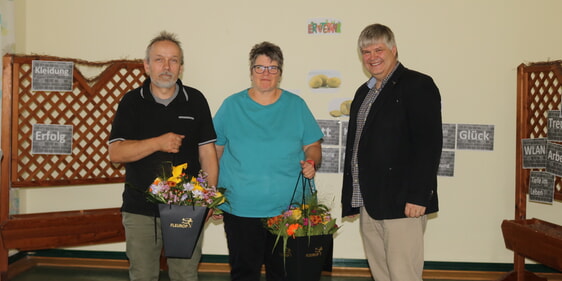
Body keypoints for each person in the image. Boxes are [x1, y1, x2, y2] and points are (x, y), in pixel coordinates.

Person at [108, 31, 218, 281]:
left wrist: (210, 197)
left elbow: (208, 154)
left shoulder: (196, 100)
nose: (166, 67)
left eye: (173, 60)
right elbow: (116, 153)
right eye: (159, 59)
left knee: (185, 275)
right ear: (146, 65)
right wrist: (158, 143)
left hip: (187, 208)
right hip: (140, 209)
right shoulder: (131, 102)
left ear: (181, 66)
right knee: (143, 275)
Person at [213, 41, 323, 281]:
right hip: (240, 208)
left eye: (273, 68)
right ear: (251, 71)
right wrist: (212, 197)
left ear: (280, 73)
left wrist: (311, 162)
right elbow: (214, 153)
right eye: (260, 67)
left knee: (284, 274)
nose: (266, 73)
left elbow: (313, 146)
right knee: (244, 273)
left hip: (288, 210)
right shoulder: (231, 106)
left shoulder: (296, 105)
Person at [341, 23, 443, 281]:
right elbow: (356, 148)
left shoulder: (417, 84)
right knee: (382, 275)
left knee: (403, 276)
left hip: (404, 204)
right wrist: (351, 198)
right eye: (366, 52)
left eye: (379, 49)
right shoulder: (363, 93)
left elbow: (428, 144)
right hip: (369, 202)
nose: (372, 57)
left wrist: (419, 196)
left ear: (394, 50)